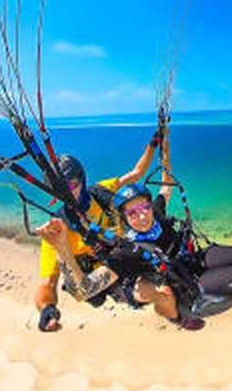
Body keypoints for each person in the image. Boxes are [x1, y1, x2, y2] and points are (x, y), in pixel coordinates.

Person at [34, 130, 176, 332]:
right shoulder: (59, 228)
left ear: (82, 181)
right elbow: (47, 282)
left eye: (72, 185)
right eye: (60, 188)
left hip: (128, 252)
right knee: (155, 291)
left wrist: (154, 144)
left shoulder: (100, 191)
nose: (67, 192)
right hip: (104, 279)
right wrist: (46, 308)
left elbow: (137, 173)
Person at [111, 177, 232, 325]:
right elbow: (107, 277)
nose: (142, 215)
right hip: (191, 284)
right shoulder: (129, 248)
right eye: (132, 213)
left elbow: (166, 189)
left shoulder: (156, 215)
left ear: (150, 205)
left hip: (195, 259)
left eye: (144, 207)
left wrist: (164, 150)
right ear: (124, 218)